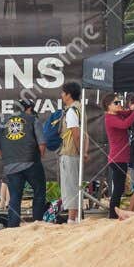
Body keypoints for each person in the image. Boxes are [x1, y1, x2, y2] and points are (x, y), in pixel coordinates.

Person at [0, 97, 45, 227]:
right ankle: (37, 223)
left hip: (11, 166)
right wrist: (39, 157)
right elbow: (42, 144)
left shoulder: (3, 121)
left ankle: (13, 226)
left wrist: (6, 159)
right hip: (31, 162)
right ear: (29, 108)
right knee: (39, 191)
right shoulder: (33, 120)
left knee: (15, 197)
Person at [103, 95, 134, 218]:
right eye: (116, 103)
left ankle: (113, 214)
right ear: (108, 106)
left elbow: (126, 113)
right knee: (118, 188)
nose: (119, 104)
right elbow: (125, 124)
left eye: (120, 102)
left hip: (121, 157)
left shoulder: (117, 114)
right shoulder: (110, 118)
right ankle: (112, 215)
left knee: (119, 187)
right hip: (117, 158)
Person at [57, 82, 84, 222]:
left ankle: (72, 219)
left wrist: (80, 152)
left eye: (63, 93)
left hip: (70, 153)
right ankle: (75, 217)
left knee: (70, 186)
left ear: (68, 95)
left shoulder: (72, 111)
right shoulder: (79, 108)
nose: (61, 95)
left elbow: (76, 134)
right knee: (74, 185)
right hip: (74, 153)